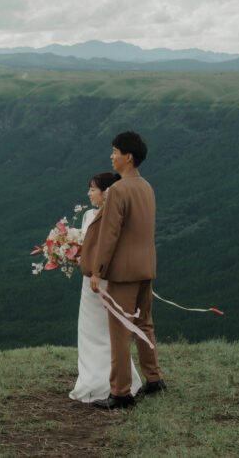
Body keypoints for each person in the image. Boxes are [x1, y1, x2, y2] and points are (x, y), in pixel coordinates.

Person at [82, 131, 166, 410]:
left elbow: (110, 236)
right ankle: (154, 379)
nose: (111, 156)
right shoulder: (147, 187)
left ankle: (120, 393)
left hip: (123, 273)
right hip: (147, 267)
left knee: (119, 331)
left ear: (128, 157)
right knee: (145, 324)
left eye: (115, 152)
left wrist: (97, 271)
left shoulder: (117, 190)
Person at [69, 172, 143, 403]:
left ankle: (104, 383)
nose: (89, 193)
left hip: (102, 279)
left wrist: (96, 270)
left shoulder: (112, 215)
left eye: (93, 189)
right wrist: (71, 254)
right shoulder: (89, 215)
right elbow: (87, 246)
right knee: (88, 330)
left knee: (107, 331)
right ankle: (93, 378)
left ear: (106, 192)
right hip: (88, 279)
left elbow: (110, 247)